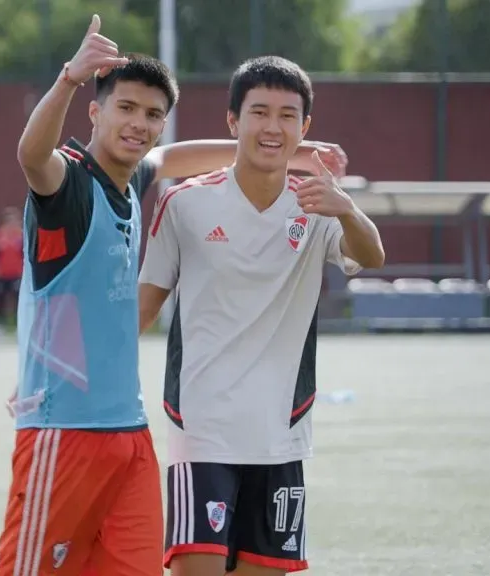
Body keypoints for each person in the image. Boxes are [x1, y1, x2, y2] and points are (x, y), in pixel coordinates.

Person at [0, 15, 348, 576]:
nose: (139, 124)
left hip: (128, 433)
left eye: (153, 115)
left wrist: (298, 153)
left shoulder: (131, 182)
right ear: (95, 111)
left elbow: (179, 158)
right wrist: (68, 78)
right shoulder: (67, 185)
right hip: (62, 428)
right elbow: (32, 156)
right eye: (126, 108)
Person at [137, 55, 385, 576]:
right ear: (233, 121)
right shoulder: (184, 203)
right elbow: (143, 306)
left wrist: (346, 208)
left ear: (305, 128)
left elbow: (371, 255)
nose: (273, 127)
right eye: (260, 112)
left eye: (288, 115)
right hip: (201, 426)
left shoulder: (319, 206)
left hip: (282, 431)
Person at [0, 206, 24, 334]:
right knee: (0, 299)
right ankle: (0, 323)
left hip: (16, 272)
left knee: (17, 299)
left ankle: (18, 323)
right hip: (2, 273)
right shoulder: (0, 234)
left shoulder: (21, 235)